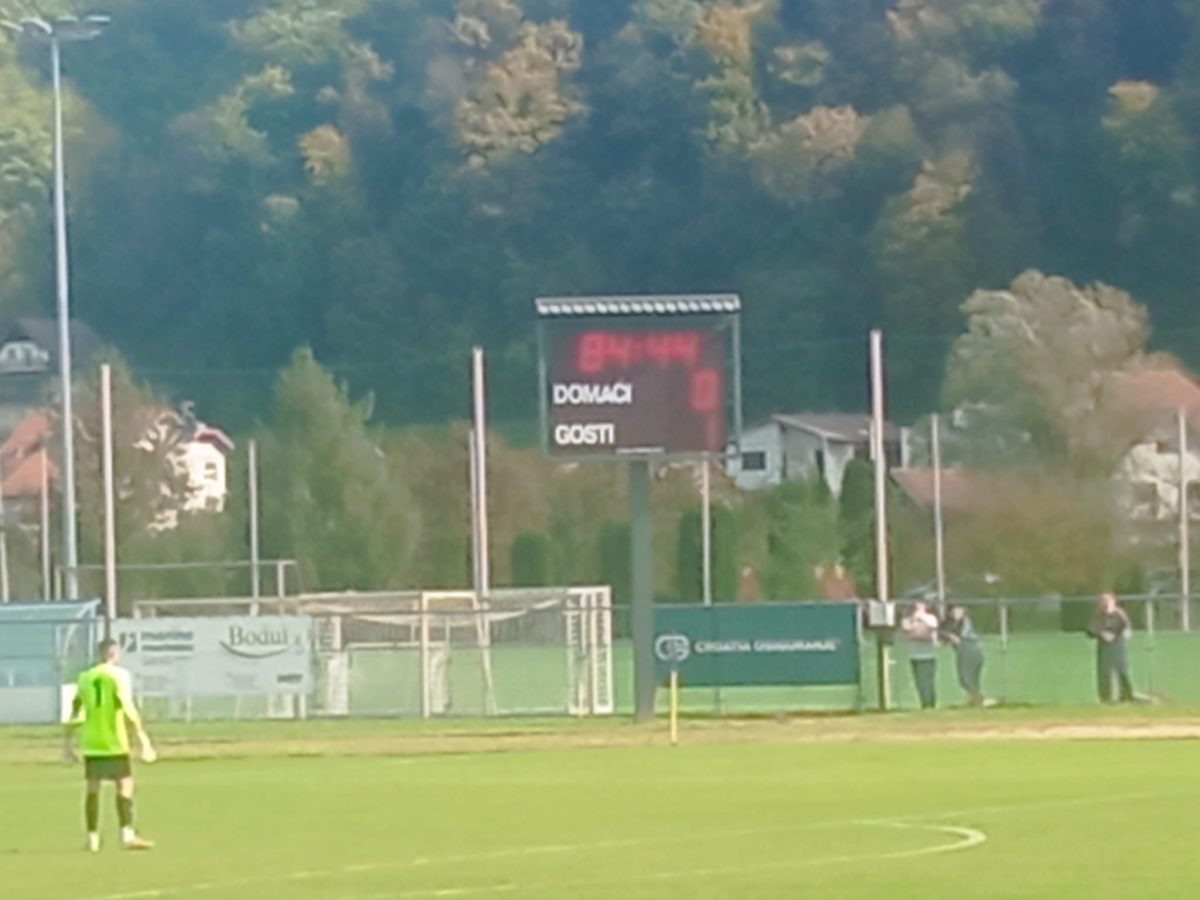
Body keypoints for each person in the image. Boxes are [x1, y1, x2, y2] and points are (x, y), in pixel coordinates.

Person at [64, 638, 157, 852]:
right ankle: (127, 834)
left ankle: (92, 838)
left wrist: (67, 743)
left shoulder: (85, 677)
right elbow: (126, 707)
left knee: (93, 789)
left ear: (99, 654)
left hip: (92, 741)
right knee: (125, 785)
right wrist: (143, 739)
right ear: (115, 654)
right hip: (114, 740)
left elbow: (75, 710)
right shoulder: (119, 675)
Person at [1086, 592, 1136, 704]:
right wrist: (1101, 634)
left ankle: (1126, 695)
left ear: (1113, 602)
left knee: (1123, 671)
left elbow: (1127, 628)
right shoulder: (1098, 616)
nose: (1105, 604)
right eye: (1102, 602)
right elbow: (1090, 630)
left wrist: (1123, 634)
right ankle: (1106, 698)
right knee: (1104, 673)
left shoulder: (1120, 614)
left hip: (1119, 645)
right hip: (1104, 647)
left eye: (1107, 601)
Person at [941, 604, 985, 706]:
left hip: (971, 651)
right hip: (962, 652)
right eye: (954, 611)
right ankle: (974, 698)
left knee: (968, 678)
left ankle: (978, 699)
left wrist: (950, 636)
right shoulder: (951, 623)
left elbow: (961, 637)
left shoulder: (965, 622)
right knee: (963, 679)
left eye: (959, 610)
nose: (957, 613)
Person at [901, 600, 939, 709]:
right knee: (919, 682)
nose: (918, 607)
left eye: (921, 604)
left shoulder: (931, 618)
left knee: (928, 681)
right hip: (914, 655)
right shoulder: (908, 619)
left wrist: (921, 619)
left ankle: (931, 703)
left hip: (928, 655)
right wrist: (914, 621)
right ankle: (924, 703)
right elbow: (908, 632)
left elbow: (928, 632)